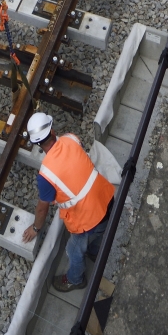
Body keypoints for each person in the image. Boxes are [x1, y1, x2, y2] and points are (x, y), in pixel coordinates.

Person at [20, 112, 116, 293]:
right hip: (106, 197)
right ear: (53, 130)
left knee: (73, 250)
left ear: (37, 144)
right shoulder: (70, 138)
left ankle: (75, 280)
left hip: (88, 219)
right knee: (99, 232)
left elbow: (42, 209)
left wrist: (36, 228)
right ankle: (95, 252)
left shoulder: (46, 175)